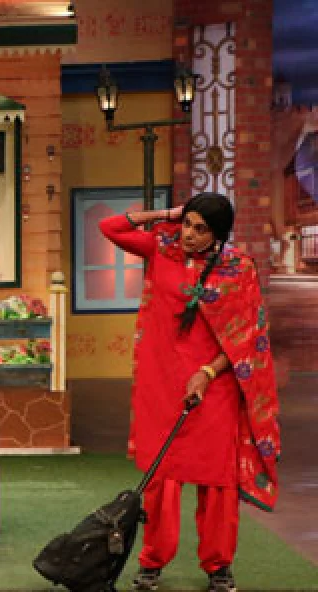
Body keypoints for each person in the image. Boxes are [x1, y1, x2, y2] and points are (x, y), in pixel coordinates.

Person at [100, 193, 281, 592]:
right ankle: (152, 563)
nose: (189, 234)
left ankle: (218, 567)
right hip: (162, 383)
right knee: (161, 480)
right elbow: (110, 227)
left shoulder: (238, 270)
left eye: (201, 229)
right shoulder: (162, 249)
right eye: (187, 224)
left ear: (218, 235)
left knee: (216, 482)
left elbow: (247, 336)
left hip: (213, 386)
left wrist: (207, 372)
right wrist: (167, 213)